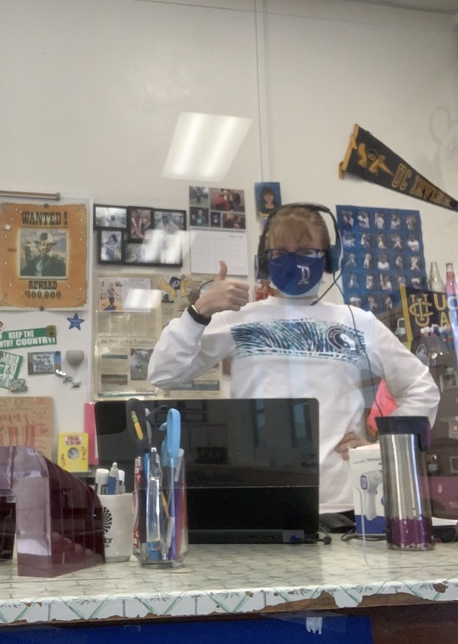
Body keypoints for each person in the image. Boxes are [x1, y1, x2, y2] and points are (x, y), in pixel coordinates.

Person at [148, 203, 439, 514]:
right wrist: (200, 311)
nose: (293, 260)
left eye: (305, 250)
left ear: (328, 257)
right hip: (260, 501)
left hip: (343, 503)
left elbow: (421, 388)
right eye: (280, 252)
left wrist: (381, 448)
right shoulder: (238, 319)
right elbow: (164, 373)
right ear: (265, 260)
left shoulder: (357, 322)